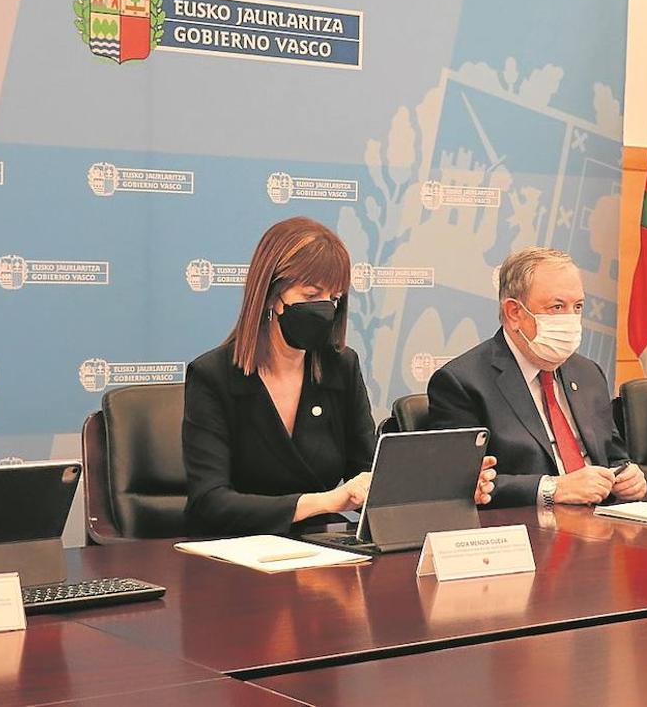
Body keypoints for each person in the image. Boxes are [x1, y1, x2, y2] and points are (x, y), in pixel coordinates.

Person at [183, 217, 497, 535]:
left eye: (333, 298)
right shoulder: (213, 376)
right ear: (269, 295)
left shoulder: (341, 367)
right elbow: (210, 503)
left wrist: (448, 490)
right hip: (233, 554)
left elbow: (369, 476)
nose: (325, 309)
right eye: (310, 296)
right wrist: (328, 501)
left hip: (320, 552)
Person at [427, 247, 645, 508]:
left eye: (577, 307)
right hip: (526, 531)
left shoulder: (588, 373)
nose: (571, 320)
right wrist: (552, 489)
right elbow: (461, 484)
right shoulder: (461, 382)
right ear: (514, 313)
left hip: (600, 524)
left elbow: (614, 458)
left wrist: (629, 477)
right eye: (557, 307)